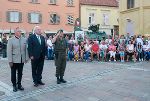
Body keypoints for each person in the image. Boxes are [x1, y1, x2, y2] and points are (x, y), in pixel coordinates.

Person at [7, 27, 28, 92]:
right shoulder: (11, 40)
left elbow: (26, 49)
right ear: (15, 32)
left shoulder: (24, 39)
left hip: (21, 60)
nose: (20, 32)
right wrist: (10, 61)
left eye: (20, 31)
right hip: (14, 60)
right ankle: (14, 85)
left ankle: (19, 84)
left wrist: (26, 58)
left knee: (20, 73)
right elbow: (9, 51)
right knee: (13, 73)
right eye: (19, 31)